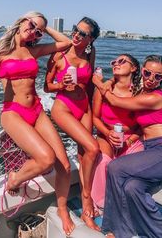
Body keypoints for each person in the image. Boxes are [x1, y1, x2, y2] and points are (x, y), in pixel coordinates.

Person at [0, 11, 75, 236]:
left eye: (38, 31)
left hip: (37, 110)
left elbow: (65, 42)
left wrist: (43, 28)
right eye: (31, 25)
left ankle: (62, 208)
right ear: (21, 21)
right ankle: (16, 178)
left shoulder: (34, 50)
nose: (34, 31)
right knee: (46, 159)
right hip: (13, 112)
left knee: (65, 166)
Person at [93, 55, 162, 238]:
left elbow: (116, 101)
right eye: (148, 73)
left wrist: (97, 81)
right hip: (152, 149)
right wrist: (110, 79)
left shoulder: (156, 97)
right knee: (132, 188)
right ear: (141, 71)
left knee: (115, 167)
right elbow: (122, 83)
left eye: (158, 76)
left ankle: (116, 230)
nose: (151, 79)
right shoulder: (141, 91)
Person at [44, 17, 101, 230]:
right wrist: (61, 85)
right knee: (93, 147)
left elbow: (89, 87)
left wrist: (95, 109)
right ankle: (86, 199)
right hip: (64, 107)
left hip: (84, 107)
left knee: (84, 153)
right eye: (76, 30)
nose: (76, 35)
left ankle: (87, 207)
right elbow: (47, 86)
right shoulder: (59, 54)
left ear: (91, 39)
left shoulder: (90, 54)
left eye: (82, 33)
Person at [91, 54, 144, 211]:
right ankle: (100, 203)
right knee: (103, 161)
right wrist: (108, 134)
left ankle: (127, 202)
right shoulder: (103, 89)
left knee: (135, 164)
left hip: (131, 138)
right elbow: (95, 118)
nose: (115, 63)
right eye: (113, 62)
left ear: (133, 68)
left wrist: (130, 140)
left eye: (121, 61)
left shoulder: (140, 93)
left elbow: (143, 125)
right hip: (106, 135)